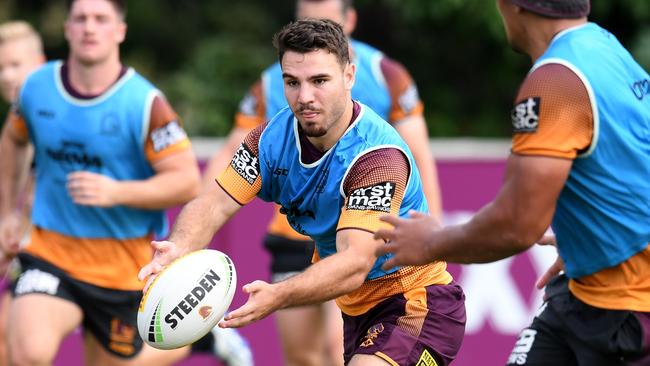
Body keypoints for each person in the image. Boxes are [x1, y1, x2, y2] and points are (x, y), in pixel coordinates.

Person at [141, 19, 466, 366]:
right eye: (292, 83)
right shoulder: (269, 140)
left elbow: (354, 263)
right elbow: (214, 203)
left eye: (320, 81)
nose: (305, 97)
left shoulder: (376, 157)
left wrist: (278, 295)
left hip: (416, 303)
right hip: (359, 314)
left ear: (349, 76)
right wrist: (178, 248)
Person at [374, 0, 650, 364]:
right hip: (582, 293)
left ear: (512, 6)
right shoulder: (605, 46)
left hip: (627, 311)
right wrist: (591, 238)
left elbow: (515, 226)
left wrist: (431, 243)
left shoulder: (556, 80)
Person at [0, 1, 252, 365]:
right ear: (67, 28)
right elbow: (12, 138)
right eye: (81, 19)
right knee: (27, 351)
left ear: (120, 30)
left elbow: (185, 182)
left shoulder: (145, 104)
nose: (89, 28)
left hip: (122, 269)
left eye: (101, 19)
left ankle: (202, 342)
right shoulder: (37, 87)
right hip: (49, 252)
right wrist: (7, 211)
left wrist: (116, 192)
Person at [0, 20, 45, 366]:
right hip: (36, 251)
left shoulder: (55, 112)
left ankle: (203, 341)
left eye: (15, 65)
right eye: (1, 68)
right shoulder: (17, 123)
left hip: (97, 251)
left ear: (40, 63)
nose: (7, 76)